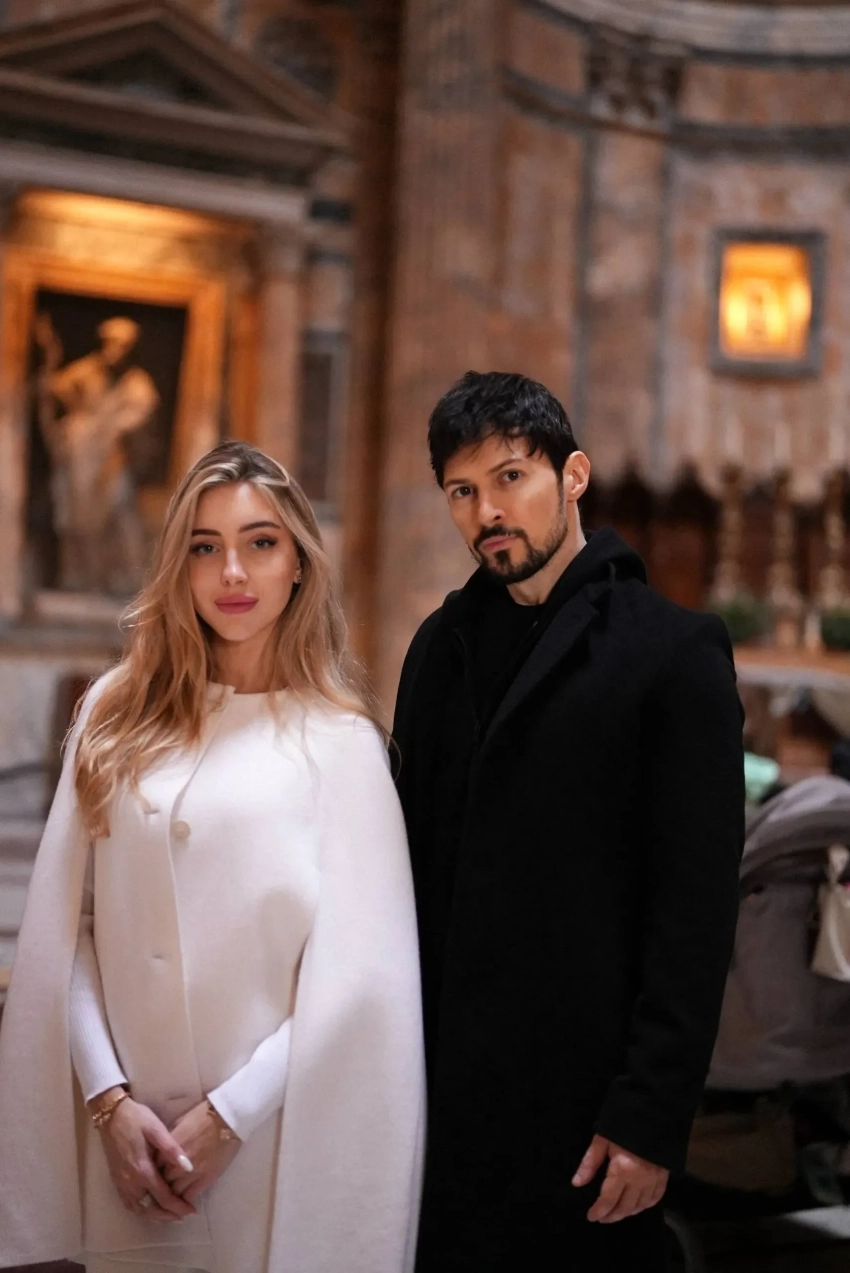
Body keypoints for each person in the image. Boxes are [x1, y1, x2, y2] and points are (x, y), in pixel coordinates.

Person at [0, 441, 425, 1273]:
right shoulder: (116, 713)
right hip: (126, 1155)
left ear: (298, 563)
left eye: (260, 542)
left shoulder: (342, 743)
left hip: (264, 1153)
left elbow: (359, 981)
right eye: (205, 546)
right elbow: (67, 928)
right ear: (180, 565)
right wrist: (108, 1102)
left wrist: (228, 1118)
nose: (233, 571)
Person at [392, 372, 745, 1271]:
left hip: (585, 1110)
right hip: (441, 1098)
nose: (486, 512)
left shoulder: (674, 652)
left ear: (574, 475)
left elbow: (695, 912)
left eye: (510, 477)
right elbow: (407, 870)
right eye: (462, 491)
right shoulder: (438, 648)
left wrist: (650, 1113)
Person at [35, 314, 158, 592]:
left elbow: (139, 414)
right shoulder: (87, 371)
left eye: (123, 345)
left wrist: (112, 427)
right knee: (72, 513)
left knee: (118, 511)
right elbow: (56, 387)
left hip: (113, 459)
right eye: (111, 342)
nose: (115, 350)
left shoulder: (137, 382)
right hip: (81, 457)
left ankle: (120, 578)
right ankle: (75, 576)